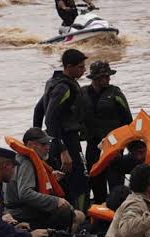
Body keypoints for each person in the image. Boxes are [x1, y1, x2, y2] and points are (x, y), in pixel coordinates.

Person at [33, 49, 89, 210]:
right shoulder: (63, 88)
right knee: (81, 179)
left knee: (63, 179)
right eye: (80, 67)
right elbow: (50, 117)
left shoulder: (55, 82)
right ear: (69, 67)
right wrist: (63, 150)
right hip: (65, 141)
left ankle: (68, 216)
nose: (84, 70)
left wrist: (36, 136)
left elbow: (39, 109)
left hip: (57, 140)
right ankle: (81, 219)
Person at [4, 128, 85, 232]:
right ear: (30, 144)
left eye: (48, 143)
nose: (48, 147)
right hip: (24, 214)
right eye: (43, 144)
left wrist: (52, 177)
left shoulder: (18, 158)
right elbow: (25, 193)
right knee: (78, 215)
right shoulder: (26, 163)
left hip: (19, 211)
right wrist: (56, 201)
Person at [81, 60, 133, 203]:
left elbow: (128, 121)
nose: (108, 78)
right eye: (105, 76)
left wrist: (128, 146)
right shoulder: (82, 93)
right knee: (96, 180)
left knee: (116, 182)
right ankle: (99, 209)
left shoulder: (116, 93)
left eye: (109, 76)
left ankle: (117, 208)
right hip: (93, 145)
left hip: (114, 147)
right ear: (96, 78)